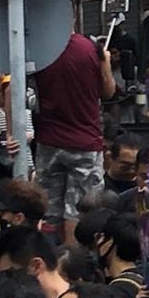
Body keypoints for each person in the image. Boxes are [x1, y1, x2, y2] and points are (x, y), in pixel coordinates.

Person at [31, 30, 118, 244]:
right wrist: (105, 63)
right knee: (79, 210)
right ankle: (74, 263)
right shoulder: (89, 48)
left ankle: (50, 261)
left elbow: (14, 90)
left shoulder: (38, 48)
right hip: (84, 141)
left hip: (48, 141)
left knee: (48, 210)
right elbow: (107, 93)